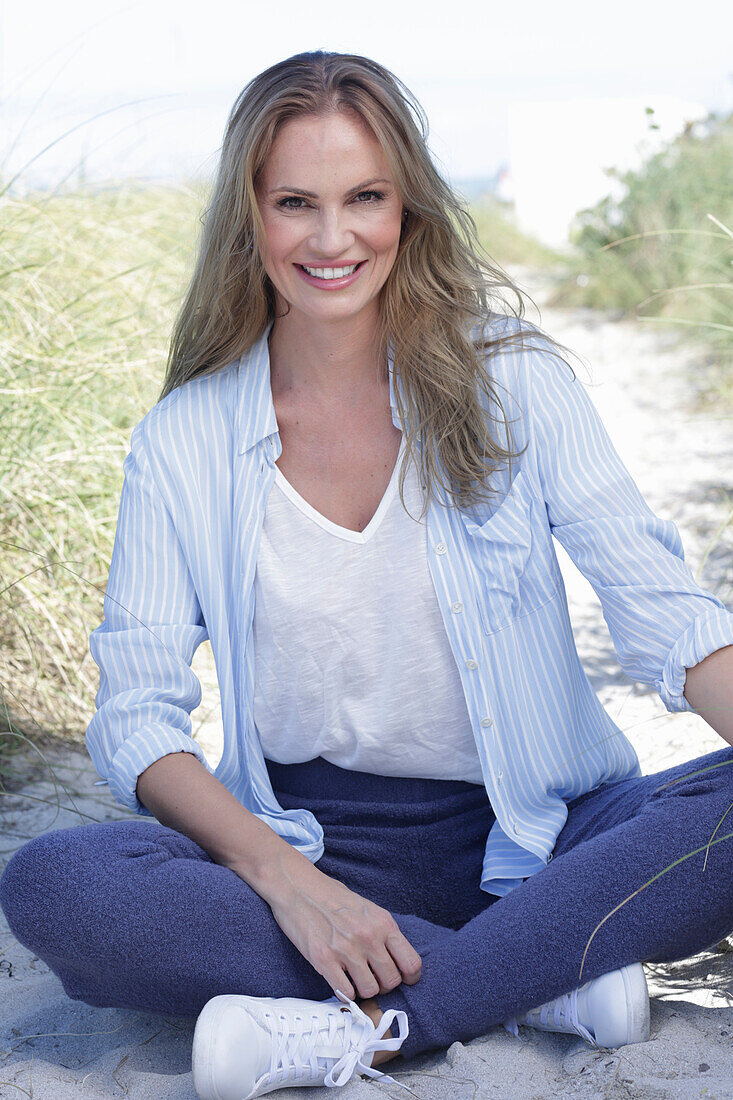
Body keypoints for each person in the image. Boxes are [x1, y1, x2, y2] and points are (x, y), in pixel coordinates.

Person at [2, 49, 733, 1100]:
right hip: (314, 850)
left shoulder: (515, 381)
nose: (332, 237)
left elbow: (670, 619)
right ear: (248, 217)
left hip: (548, 840)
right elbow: (136, 720)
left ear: (409, 208)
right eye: (295, 201)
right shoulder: (185, 439)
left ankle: (414, 1004)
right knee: (61, 883)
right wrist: (288, 881)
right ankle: (536, 977)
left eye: (364, 198)